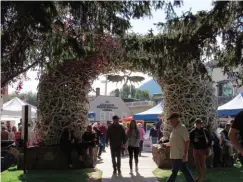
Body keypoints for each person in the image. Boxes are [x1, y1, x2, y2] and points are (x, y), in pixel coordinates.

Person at [162, 113, 194, 182]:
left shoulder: (182, 128)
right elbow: (173, 142)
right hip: (175, 155)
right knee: (184, 170)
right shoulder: (174, 129)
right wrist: (166, 144)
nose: (170, 122)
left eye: (171, 120)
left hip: (180, 155)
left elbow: (187, 141)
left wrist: (185, 155)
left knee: (174, 172)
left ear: (176, 119)